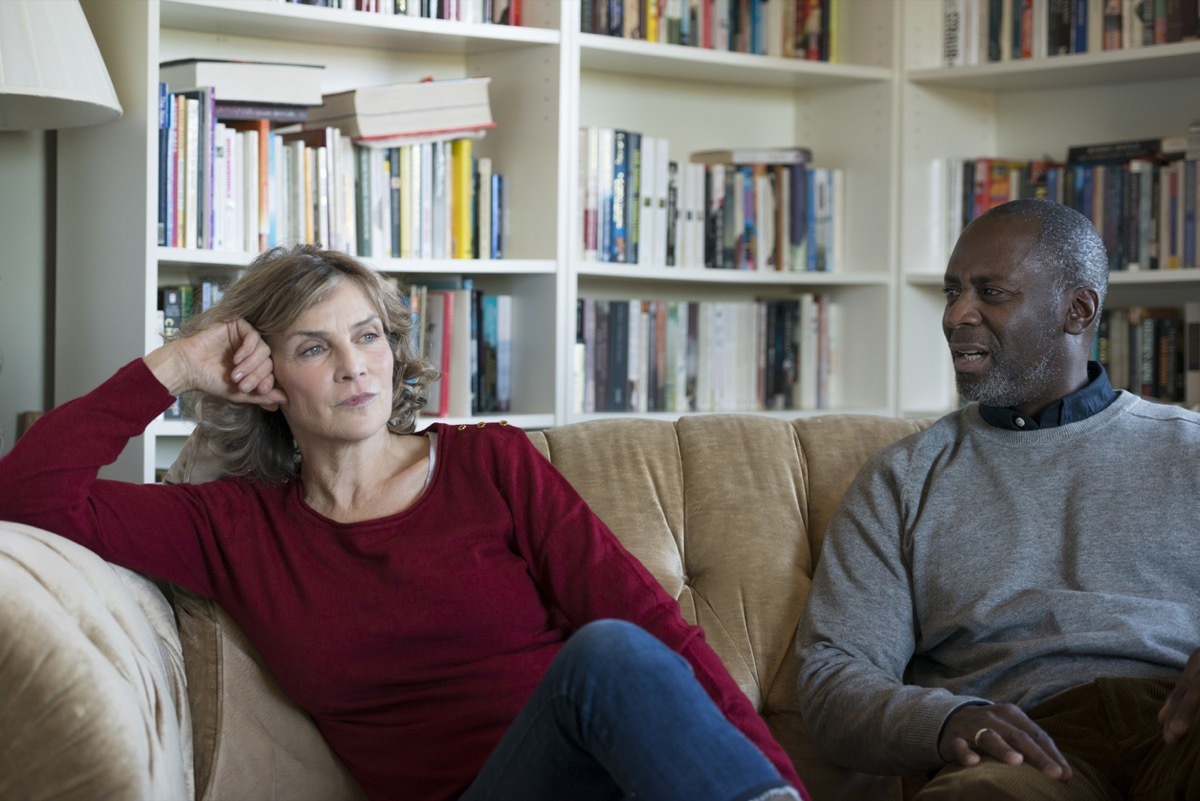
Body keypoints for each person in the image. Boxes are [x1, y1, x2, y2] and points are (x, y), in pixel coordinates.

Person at [0, 244, 806, 801]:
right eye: (313, 348)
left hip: (615, 776)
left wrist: (786, 786)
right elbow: (28, 495)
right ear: (265, 380)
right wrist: (176, 365)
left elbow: (658, 630)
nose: (354, 365)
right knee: (605, 654)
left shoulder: (490, 463)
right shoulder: (236, 526)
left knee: (617, 647)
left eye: (367, 336)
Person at [796, 198, 1200, 800]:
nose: (957, 315)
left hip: (1182, 725)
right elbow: (833, 676)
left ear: (1078, 310)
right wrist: (946, 721)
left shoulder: (1191, 450)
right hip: (1022, 745)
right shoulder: (902, 479)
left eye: (991, 292)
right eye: (952, 291)